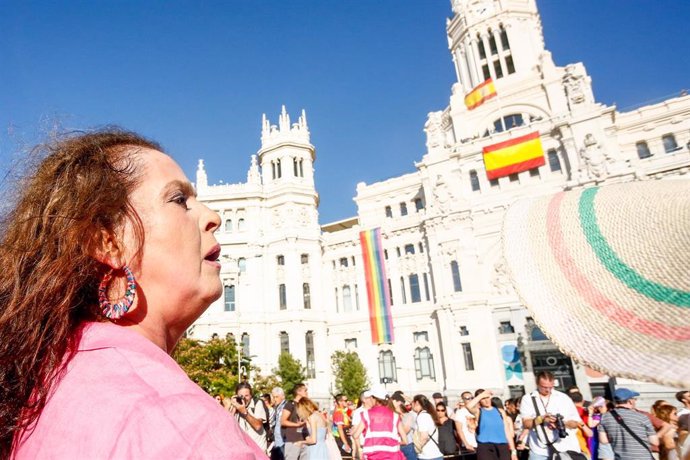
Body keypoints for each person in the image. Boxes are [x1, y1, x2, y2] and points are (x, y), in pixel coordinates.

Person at [0, 130, 266, 458]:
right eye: (180, 200)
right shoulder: (186, 431)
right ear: (108, 244)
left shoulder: (40, 391)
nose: (213, 217)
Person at [519, 371, 583, 460]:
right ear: (537, 384)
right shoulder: (528, 399)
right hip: (540, 449)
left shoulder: (563, 398)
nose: (548, 390)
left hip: (564, 447)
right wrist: (541, 419)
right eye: (544, 387)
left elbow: (576, 422)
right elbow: (526, 423)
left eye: (551, 387)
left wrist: (562, 423)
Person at [598, 388, 658, 460]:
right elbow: (655, 442)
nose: (635, 401)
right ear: (630, 401)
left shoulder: (605, 417)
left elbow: (603, 440)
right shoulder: (642, 417)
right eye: (634, 399)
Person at [351, 388, 406, 460]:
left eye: (371, 397)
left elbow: (355, 435)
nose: (370, 399)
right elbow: (405, 441)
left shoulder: (366, 414)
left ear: (375, 399)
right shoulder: (395, 415)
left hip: (372, 456)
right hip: (392, 456)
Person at [467, 389, 517, 460]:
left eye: (487, 398)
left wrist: (513, 451)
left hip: (502, 446)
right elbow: (469, 406)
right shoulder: (479, 411)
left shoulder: (500, 411)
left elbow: (507, 431)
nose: (486, 400)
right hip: (485, 446)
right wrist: (481, 395)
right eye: (483, 399)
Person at [230, 382, 269, 453]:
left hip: (258, 451)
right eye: (241, 396)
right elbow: (228, 428)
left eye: (246, 396)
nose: (244, 398)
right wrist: (234, 408)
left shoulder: (258, 403)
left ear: (251, 395)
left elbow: (258, 426)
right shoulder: (235, 407)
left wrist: (244, 412)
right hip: (244, 451)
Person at [281, 383, 309, 460]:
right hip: (292, 440)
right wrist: (297, 425)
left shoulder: (304, 405)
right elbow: (283, 421)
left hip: (304, 440)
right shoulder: (290, 404)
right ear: (298, 392)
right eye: (305, 390)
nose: (307, 392)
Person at [412, 394, 443, 460]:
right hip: (434, 454)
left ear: (416, 403)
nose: (411, 405)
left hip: (428, 456)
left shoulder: (422, 416)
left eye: (412, 403)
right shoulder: (428, 414)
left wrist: (417, 449)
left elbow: (424, 436)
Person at [392, 392, 418, 460]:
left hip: (408, 447)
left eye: (393, 401)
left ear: (398, 402)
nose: (391, 403)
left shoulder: (408, 415)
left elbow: (404, 431)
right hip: (397, 447)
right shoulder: (393, 415)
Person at [569, 391, 594, 459]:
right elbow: (589, 433)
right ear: (582, 401)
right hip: (583, 447)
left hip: (569, 448)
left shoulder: (567, 412)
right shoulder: (586, 413)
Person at [351, 390, 374, 459]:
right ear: (364, 400)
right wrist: (359, 448)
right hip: (364, 445)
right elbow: (355, 430)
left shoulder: (376, 410)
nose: (372, 399)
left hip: (376, 445)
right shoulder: (358, 412)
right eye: (370, 398)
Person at [271, 387, 287, 460]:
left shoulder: (285, 406)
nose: (274, 399)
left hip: (283, 441)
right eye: (273, 397)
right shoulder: (277, 407)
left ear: (283, 396)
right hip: (277, 441)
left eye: (276, 397)